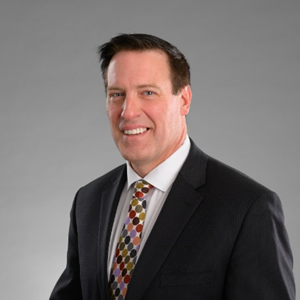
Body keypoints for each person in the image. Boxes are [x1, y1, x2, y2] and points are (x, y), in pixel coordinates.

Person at [50, 33, 295, 300]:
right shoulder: (88, 201)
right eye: (117, 94)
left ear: (184, 99)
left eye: (148, 92)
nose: (128, 111)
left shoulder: (247, 208)